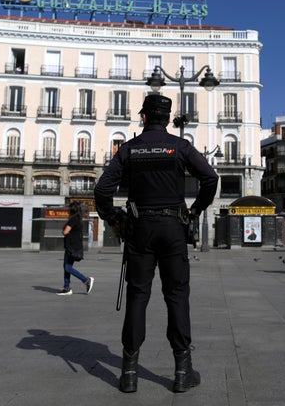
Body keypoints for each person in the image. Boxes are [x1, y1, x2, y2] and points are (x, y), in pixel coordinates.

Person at [94, 94, 218, 394]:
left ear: (145, 117)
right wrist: (195, 210)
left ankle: (129, 373)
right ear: (167, 118)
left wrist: (115, 219)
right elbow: (211, 179)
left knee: (138, 296)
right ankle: (181, 371)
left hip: (139, 230)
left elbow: (102, 190)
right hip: (174, 228)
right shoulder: (180, 146)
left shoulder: (129, 149)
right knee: (176, 295)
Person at [57, 202, 94, 295]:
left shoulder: (73, 219)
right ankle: (67, 287)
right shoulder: (78, 219)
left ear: (71, 210)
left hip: (72, 247)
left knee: (68, 267)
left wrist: (64, 231)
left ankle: (86, 280)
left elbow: (65, 232)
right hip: (73, 246)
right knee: (66, 266)